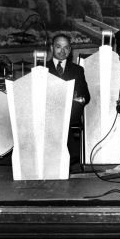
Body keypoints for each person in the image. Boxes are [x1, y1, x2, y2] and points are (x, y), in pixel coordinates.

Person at [47, 33, 90, 168]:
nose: (62, 51)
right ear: (51, 48)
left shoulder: (78, 70)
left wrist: (80, 99)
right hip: (49, 111)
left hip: (71, 111)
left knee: (62, 116)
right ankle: (71, 154)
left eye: (66, 47)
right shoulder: (42, 68)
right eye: (58, 47)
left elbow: (86, 96)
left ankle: (64, 156)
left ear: (70, 50)